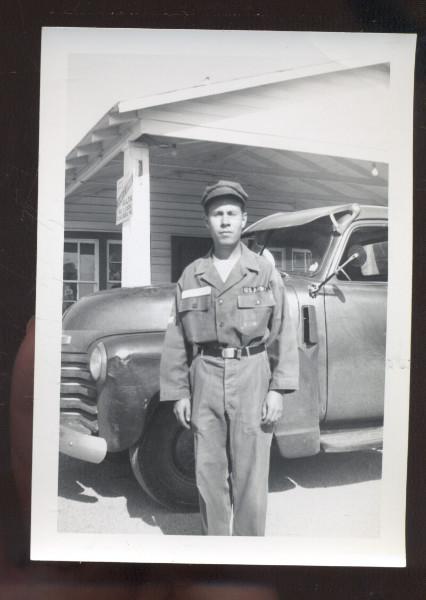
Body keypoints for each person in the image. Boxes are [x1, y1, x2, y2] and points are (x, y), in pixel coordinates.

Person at [160, 180, 299, 536]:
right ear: (207, 222)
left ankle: (249, 556)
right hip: (204, 375)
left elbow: (283, 330)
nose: (224, 221)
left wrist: (277, 390)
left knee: (251, 478)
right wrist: (179, 392)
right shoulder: (191, 274)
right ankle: (216, 554)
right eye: (217, 214)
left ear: (243, 221)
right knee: (208, 475)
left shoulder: (264, 272)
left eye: (231, 214)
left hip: (253, 374)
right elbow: (176, 336)